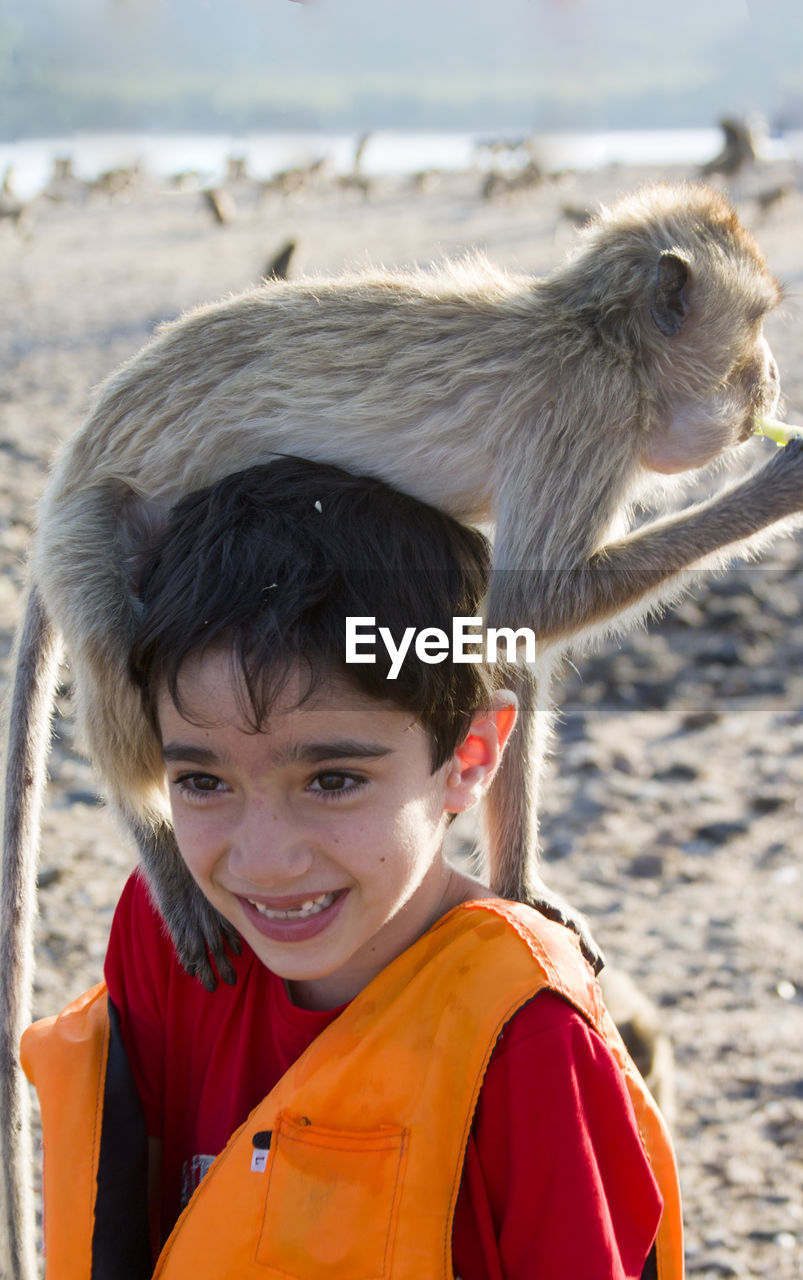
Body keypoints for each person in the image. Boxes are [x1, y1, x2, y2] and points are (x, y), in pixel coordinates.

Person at [21, 456, 682, 1279]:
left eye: (332, 780)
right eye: (202, 781)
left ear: (470, 754)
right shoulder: (171, 938)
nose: (264, 861)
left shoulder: (528, 1040)